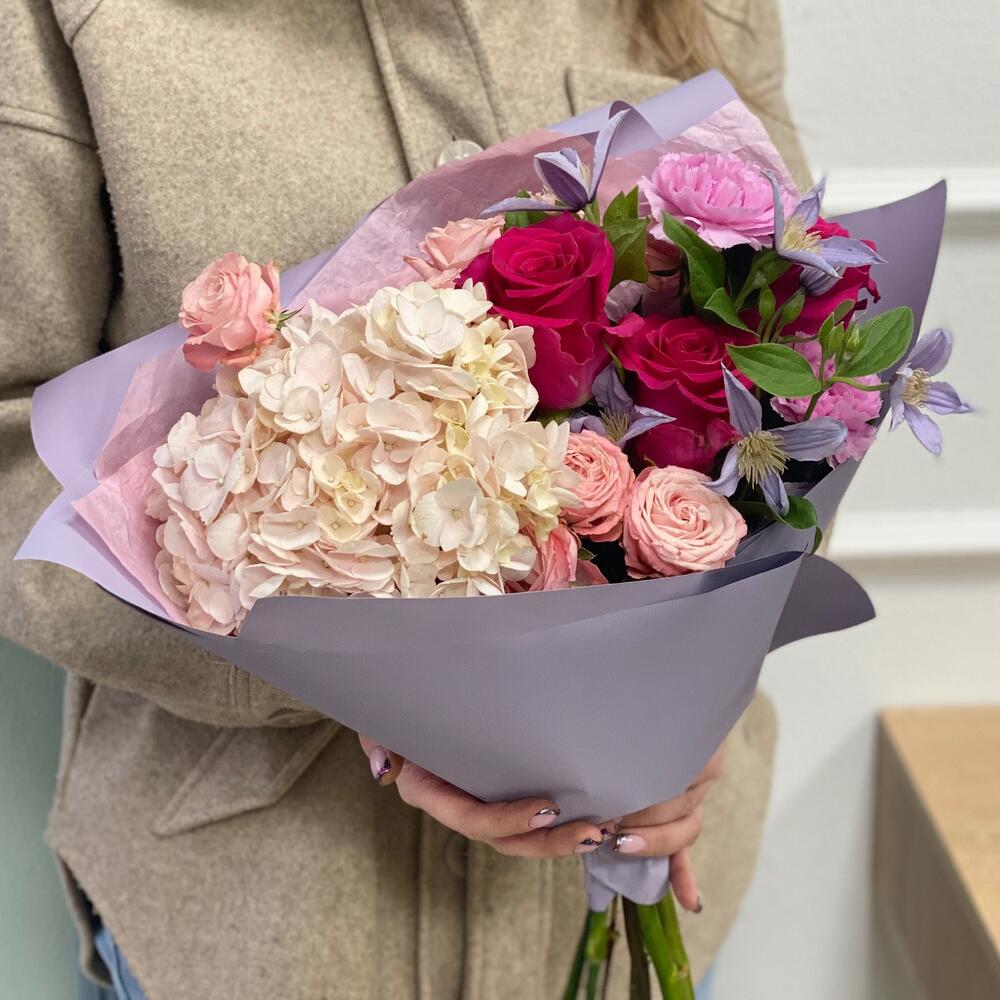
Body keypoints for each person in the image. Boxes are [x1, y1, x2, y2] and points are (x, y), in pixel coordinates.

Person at [1, 2, 809, 997]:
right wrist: (371, 682)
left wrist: (692, 684)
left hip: (647, 872)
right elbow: (14, 447)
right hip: (264, 926)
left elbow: (802, 364)